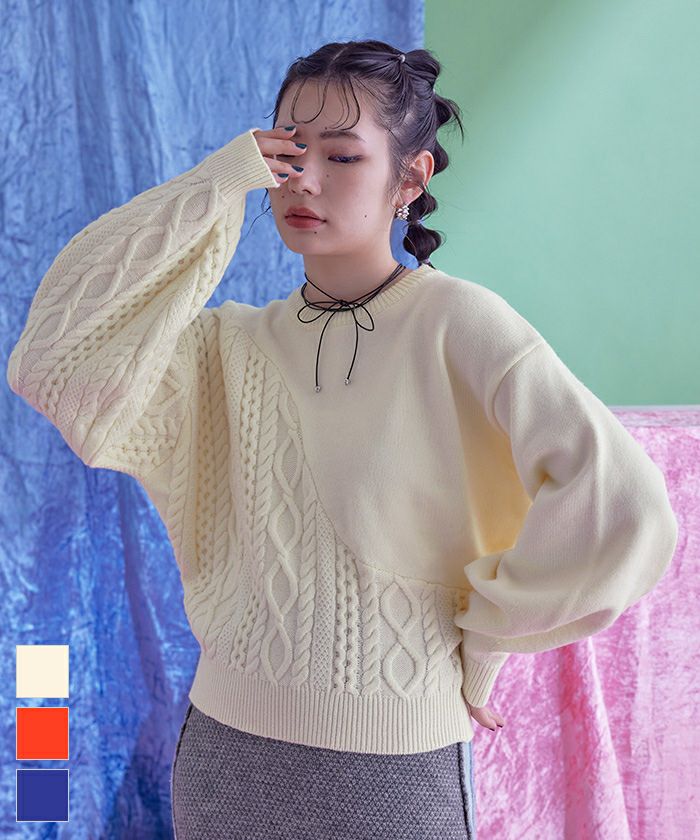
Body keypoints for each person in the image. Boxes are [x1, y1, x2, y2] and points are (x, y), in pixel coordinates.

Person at [6, 38, 677, 840]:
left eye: (343, 156)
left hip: (393, 776)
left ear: (411, 179)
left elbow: (627, 509)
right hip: (226, 762)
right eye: (288, 154)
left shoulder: (458, 324)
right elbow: (54, 361)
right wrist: (215, 185)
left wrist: (493, 629)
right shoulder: (227, 348)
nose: (304, 180)